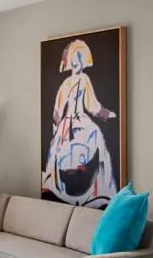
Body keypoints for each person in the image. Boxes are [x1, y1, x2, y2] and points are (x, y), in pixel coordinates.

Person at [42, 39, 118, 207]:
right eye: (75, 56)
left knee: (97, 135)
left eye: (80, 56)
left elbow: (92, 105)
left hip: (81, 119)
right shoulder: (65, 84)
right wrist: (56, 131)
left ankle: (102, 190)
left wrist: (105, 113)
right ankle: (57, 185)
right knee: (57, 148)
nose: (78, 61)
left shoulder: (85, 80)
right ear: (69, 60)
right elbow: (57, 110)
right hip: (66, 124)